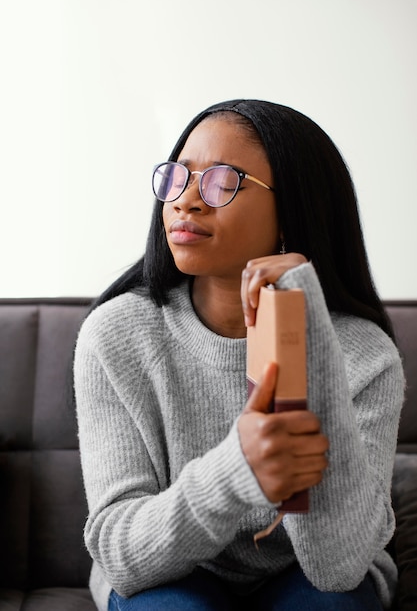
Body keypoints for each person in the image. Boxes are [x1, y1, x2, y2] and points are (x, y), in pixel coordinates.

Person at [74, 99, 405, 611]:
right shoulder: (117, 334)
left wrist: (302, 329)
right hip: (171, 572)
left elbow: (337, 567)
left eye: (222, 181)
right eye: (179, 177)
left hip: (307, 573)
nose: (186, 201)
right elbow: (124, 554)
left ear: (294, 207)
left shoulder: (365, 355)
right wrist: (236, 473)